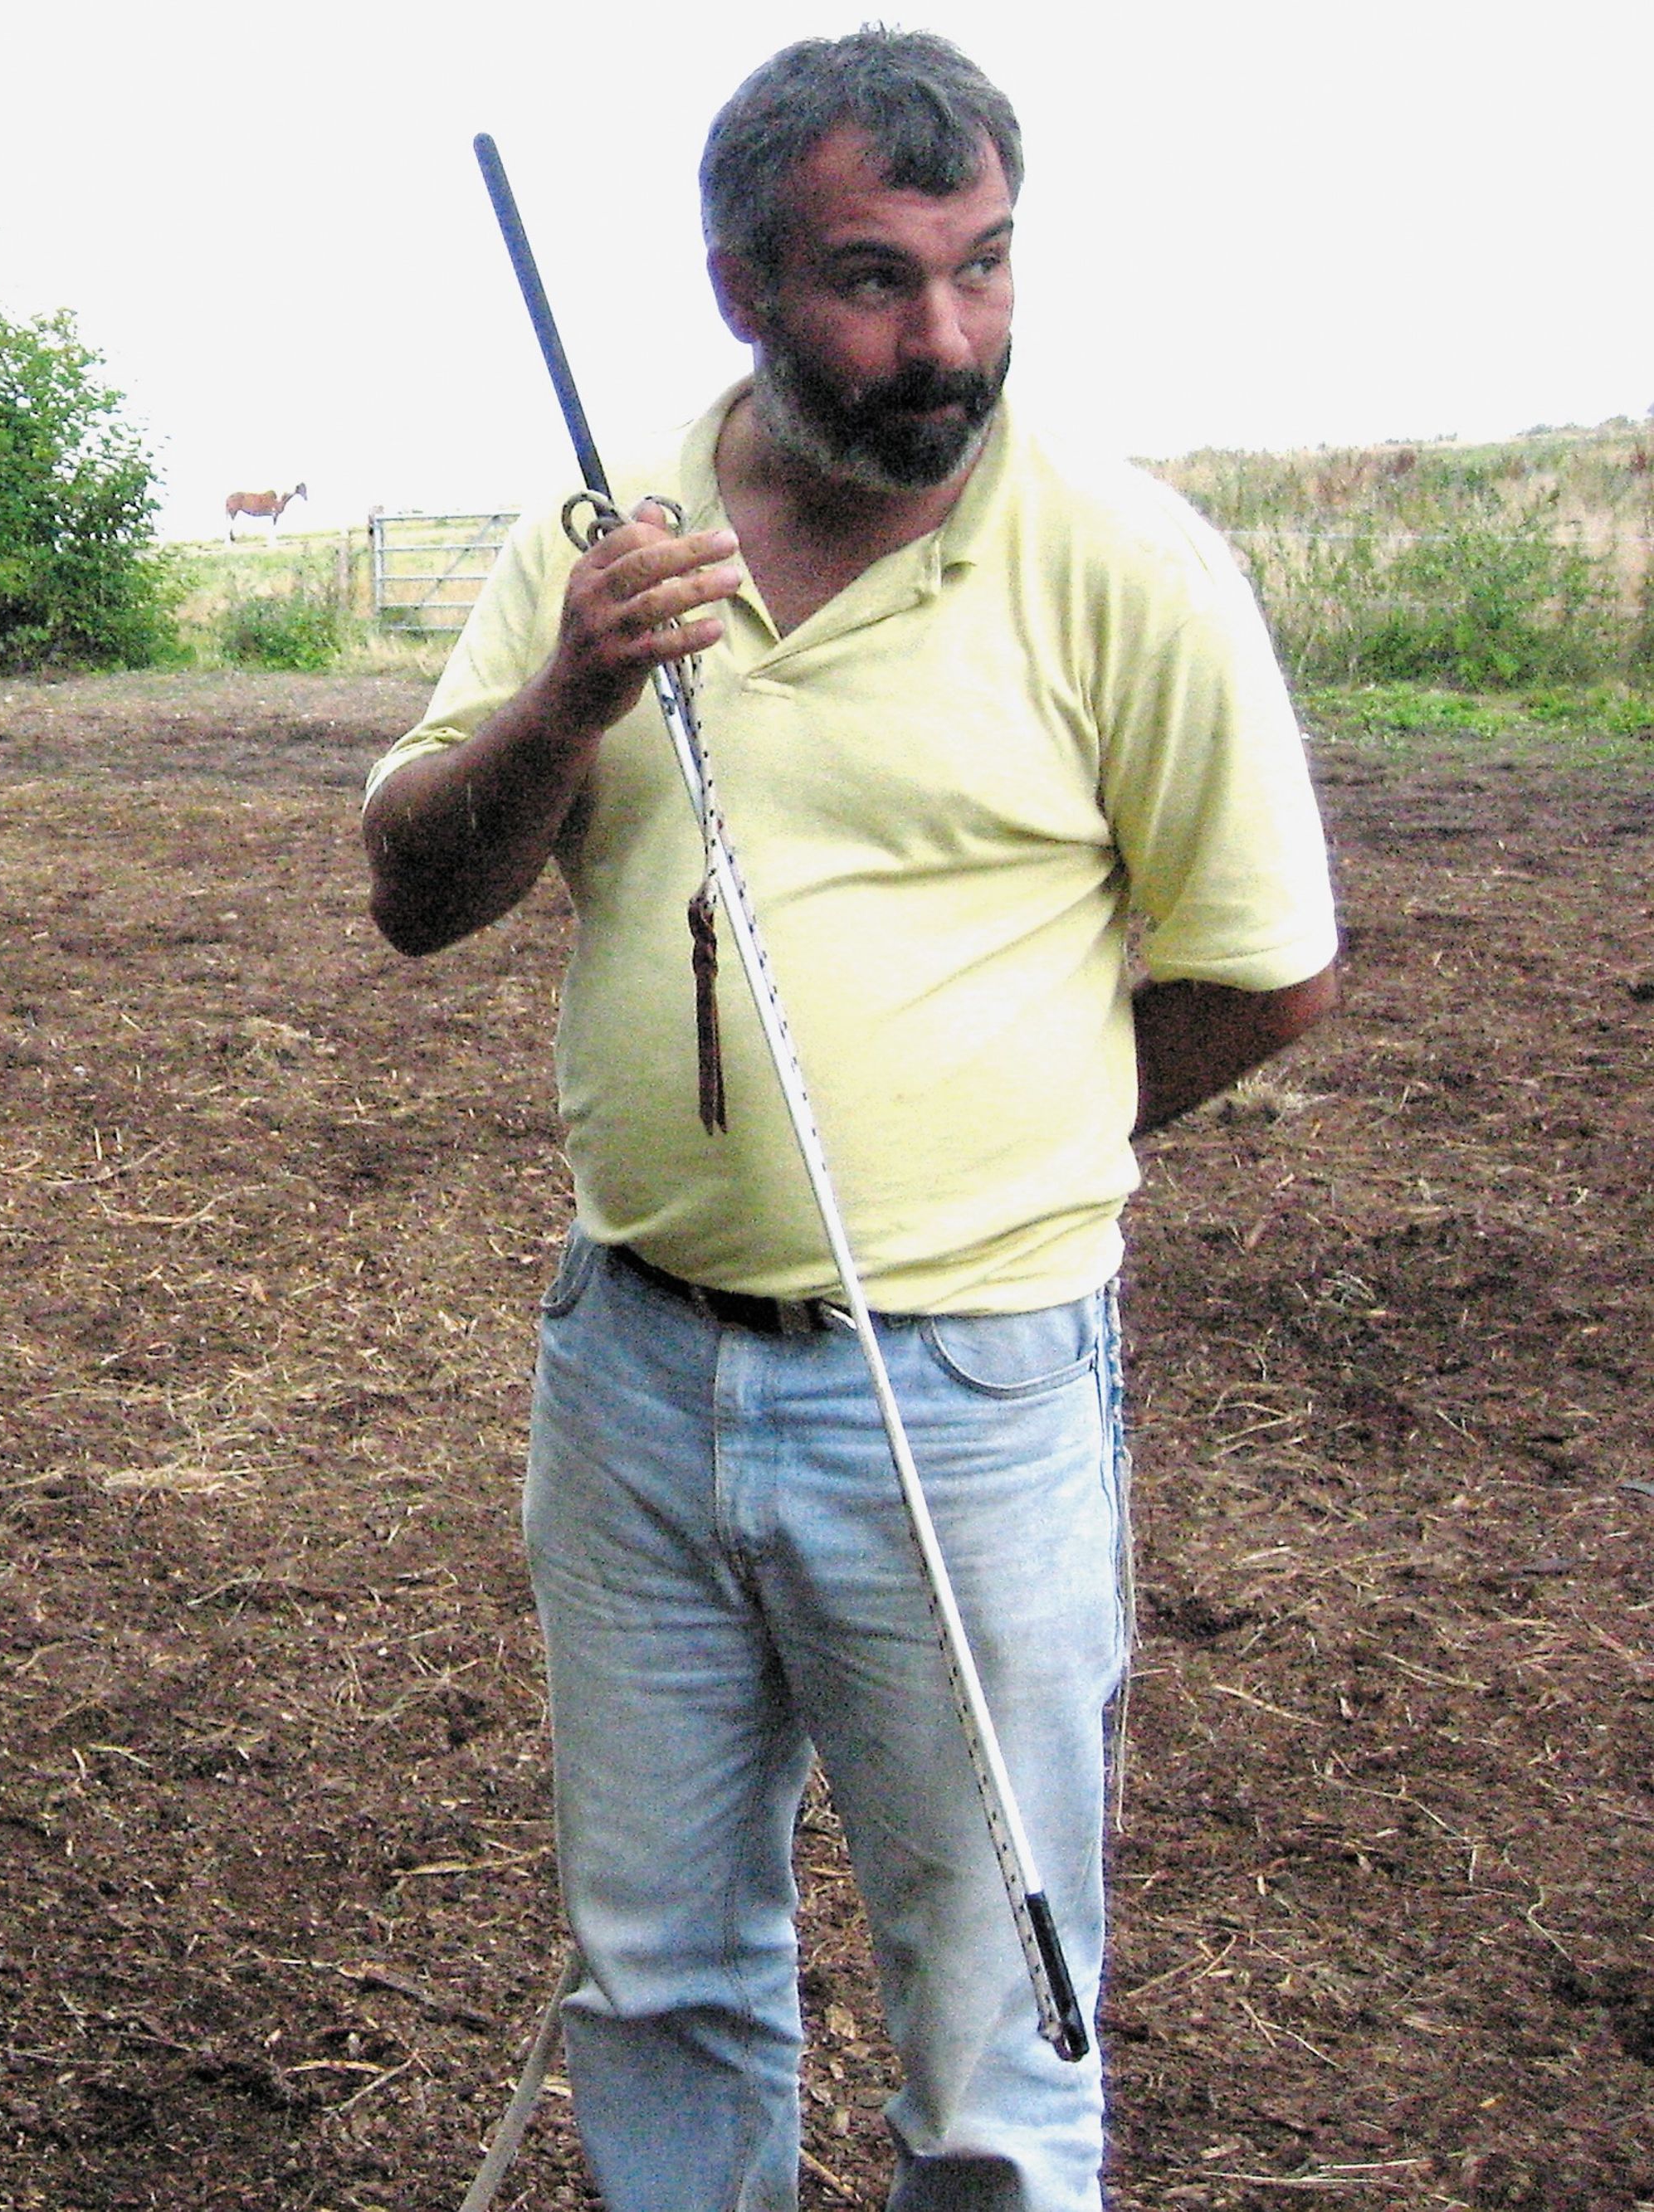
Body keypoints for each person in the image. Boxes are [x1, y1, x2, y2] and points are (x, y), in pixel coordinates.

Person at [363, 28, 1337, 2212]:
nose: (946, 342)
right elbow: (418, 890)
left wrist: (1000, 1162)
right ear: (737, 284)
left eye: (985, 270)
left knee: (994, 2035)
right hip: (630, 1368)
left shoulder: (1125, 564)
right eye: (875, 281)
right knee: (660, 1974)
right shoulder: (599, 532)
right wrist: (568, 694)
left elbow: (1265, 968)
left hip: (972, 1393)